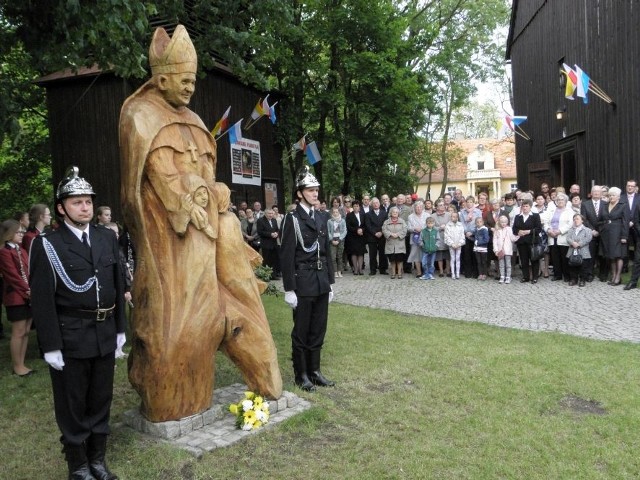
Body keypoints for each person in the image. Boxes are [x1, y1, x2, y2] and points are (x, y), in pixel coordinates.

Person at [119, 25, 282, 421]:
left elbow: (206, 173)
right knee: (181, 327)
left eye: (193, 81)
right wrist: (194, 191)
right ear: (161, 79)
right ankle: (176, 400)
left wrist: (217, 188)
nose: (190, 88)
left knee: (243, 304)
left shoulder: (192, 119)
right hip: (175, 244)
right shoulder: (140, 116)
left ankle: (267, 375)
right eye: (184, 80)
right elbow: (162, 178)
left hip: (214, 229)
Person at [29, 167, 126, 480]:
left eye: (88, 201)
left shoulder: (106, 238)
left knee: (101, 399)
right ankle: (79, 466)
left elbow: (116, 283)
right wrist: (50, 345)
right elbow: (42, 300)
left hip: (104, 332)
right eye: (77, 202)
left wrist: (121, 329)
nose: (85, 207)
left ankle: (97, 460)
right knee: (72, 405)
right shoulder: (48, 245)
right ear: (61, 208)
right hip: (70, 336)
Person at [280, 166, 335, 392]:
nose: (315, 194)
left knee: (318, 329)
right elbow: (286, 255)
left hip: (321, 280)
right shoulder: (292, 219)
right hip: (302, 281)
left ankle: (315, 371)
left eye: (316, 190)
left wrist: (330, 283)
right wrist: (289, 289)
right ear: (300, 193)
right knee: (301, 330)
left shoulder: (321, 216)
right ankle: (300, 374)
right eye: (310, 190)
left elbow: (326, 251)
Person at [0, 220, 34, 376]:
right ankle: (17, 366)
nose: (22, 235)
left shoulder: (22, 251)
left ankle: (22, 362)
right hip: (16, 297)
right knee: (18, 332)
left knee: (26, 330)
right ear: (9, 234)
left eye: (22, 232)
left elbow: (28, 271)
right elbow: (12, 276)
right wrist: (27, 291)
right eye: (19, 232)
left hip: (28, 295)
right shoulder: (4, 252)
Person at [600, 187, 629, 285]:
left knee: (618, 255)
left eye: (613, 195)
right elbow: (601, 219)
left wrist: (624, 236)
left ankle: (618, 277)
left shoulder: (623, 206)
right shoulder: (605, 205)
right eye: (610, 195)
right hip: (607, 234)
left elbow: (625, 222)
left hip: (618, 233)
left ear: (618, 197)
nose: (611, 197)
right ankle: (613, 275)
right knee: (610, 255)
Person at [545, 193, 573, 282]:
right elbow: (546, 222)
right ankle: (557, 275)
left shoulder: (569, 211)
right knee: (555, 257)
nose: (560, 201)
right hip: (552, 236)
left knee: (564, 257)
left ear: (565, 201)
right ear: (556, 202)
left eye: (562, 200)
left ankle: (566, 275)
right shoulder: (551, 211)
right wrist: (548, 230)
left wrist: (560, 231)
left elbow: (570, 224)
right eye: (558, 200)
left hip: (563, 236)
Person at [513, 198, 542, 283]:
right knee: (524, 260)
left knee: (534, 260)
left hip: (532, 242)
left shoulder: (535, 216)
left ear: (530, 207)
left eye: (526, 206)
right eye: (523, 206)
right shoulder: (518, 217)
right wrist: (519, 231)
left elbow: (539, 229)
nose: (525, 208)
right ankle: (526, 277)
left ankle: (535, 277)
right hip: (521, 242)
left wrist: (529, 231)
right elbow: (514, 228)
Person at [566, 214, 592, 287]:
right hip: (572, 250)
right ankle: (573, 279)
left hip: (583, 251)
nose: (575, 220)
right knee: (572, 266)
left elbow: (588, 238)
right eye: (574, 219)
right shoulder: (571, 230)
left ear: (582, 220)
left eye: (577, 219)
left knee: (583, 266)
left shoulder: (587, 230)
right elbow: (568, 238)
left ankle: (582, 279)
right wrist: (573, 243)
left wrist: (579, 244)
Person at [382, 206, 408, 279]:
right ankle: (393, 273)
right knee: (392, 259)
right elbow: (384, 230)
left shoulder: (402, 221)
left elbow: (405, 229)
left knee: (399, 259)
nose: (395, 213)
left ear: (398, 213)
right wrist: (390, 234)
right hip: (390, 243)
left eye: (396, 212)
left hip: (399, 243)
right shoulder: (386, 222)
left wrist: (398, 234)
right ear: (391, 213)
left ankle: (399, 273)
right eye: (393, 212)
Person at [365, 197, 388, 275]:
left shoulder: (384, 213)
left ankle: (383, 269)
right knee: (372, 254)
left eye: (377, 203)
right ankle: (373, 270)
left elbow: (386, 224)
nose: (375, 204)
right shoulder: (368, 214)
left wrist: (381, 232)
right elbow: (368, 226)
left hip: (382, 236)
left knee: (383, 253)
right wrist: (375, 233)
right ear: (371, 205)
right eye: (374, 203)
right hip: (372, 236)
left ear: (379, 203)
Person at [492, 215, 518, 284]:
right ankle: (502, 276)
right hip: (500, 250)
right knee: (501, 264)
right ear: (499, 222)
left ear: (507, 222)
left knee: (508, 264)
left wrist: (518, 235)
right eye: (502, 222)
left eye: (505, 222)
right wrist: (496, 250)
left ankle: (508, 277)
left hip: (507, 250)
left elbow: (512, 238)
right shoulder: (497, 230)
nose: (503, 223)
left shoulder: (509, 229)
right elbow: (494, 241)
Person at [256, 208, 281, 279]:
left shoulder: (274, 220)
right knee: (267, 260)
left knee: (274, 259)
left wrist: (277, 233)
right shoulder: (260, 221)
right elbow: (260, 232)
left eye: (272, 213)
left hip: (274, 243)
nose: (270, 215)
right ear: (265, 214)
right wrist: (270, 234)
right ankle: (265, 275)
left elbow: (277, 229)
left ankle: (273, 275)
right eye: (269, 213)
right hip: (266, 244)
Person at [407, 201, 428, 278]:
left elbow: (430, 226)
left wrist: (422, 229)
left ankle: (426, 271)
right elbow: (408, 228)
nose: (418, 208)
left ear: (422, 208)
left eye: (420, 207)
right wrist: (414, 228)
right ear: (414, 208)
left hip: (425, 237)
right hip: (414, 237)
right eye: (417, 207)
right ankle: (418, 272)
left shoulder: (427, 215)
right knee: (416, 255)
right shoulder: (410, 216)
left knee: (425, 254)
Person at [345, 200, 367, 275]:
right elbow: (348, 226)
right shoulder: (349, 215)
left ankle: (360, 269)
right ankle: (355, 269)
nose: (356, 207)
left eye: (357, 206)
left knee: (361, 253)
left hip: (361, 236)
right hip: (352, 236)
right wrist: (356, 230)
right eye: (354, 206)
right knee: (354, 253)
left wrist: (362, 230)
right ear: (352, 207)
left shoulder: (363, 215)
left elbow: (365, 225)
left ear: (359, 207)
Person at [444, 211, 465, 279]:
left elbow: (462, 235)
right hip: (452, 245)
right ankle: (453, 273)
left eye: (456, 216)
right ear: (451, 217)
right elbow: (447, 236)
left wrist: (459, 244)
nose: (454, 218)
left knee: (458, 259)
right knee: (452, 258)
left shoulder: (460, 225)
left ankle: (457, 273)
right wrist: (452, 244)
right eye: (453, 216)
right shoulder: (448, 225)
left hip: (458, 245)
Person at [327, 207, 347, 277]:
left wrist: (339, 240)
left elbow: (345, 231)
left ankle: (339, 271)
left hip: (340, 241)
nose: (335, 213)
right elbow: (328, 231)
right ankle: (335, 271)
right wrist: (332, 239)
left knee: (340, 256)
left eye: (336, 212)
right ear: (332, 213)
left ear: (339, 213)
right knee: (333, 257)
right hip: (332, 240)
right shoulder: (329, 221)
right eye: (334, 212)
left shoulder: (342, 221)